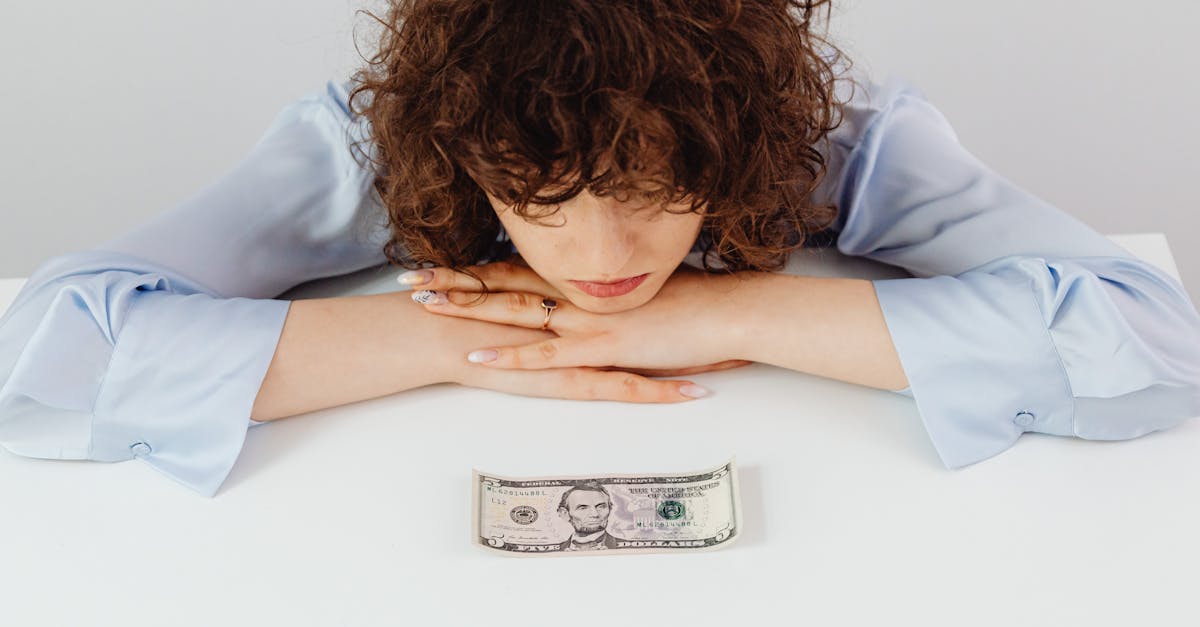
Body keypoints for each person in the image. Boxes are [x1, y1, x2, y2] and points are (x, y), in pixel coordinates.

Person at [1, 0, 1198, 498]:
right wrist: (452, 333)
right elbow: (46, 352)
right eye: (539, 202)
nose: (603, 257)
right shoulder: (371, 145)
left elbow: (1148, 340)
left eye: (658, 190)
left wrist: (721, 315)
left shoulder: (836, 143)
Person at [555, 483, 627, 551]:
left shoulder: (626, 547)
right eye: (583, 508)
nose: (595, 514)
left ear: (610, 509)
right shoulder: (558, 550)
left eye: (601, 507)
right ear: (565, 514)